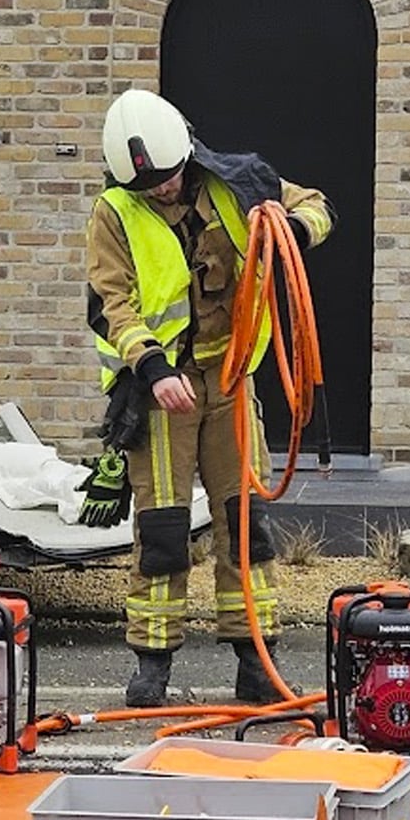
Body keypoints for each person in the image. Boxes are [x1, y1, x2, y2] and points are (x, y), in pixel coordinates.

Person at [84, 88, 334, 708]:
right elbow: (114, 304)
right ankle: (152, 663)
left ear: (187, 156)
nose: (163, 191)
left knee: (242, 524)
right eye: (150, 187)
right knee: (164, 528)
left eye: (168, 179)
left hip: (230, 377)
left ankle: (255, 659)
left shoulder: (238, 181)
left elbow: (319, 206)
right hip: (162, 390)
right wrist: (150, 368)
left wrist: (292, 228)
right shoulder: (114, 213)